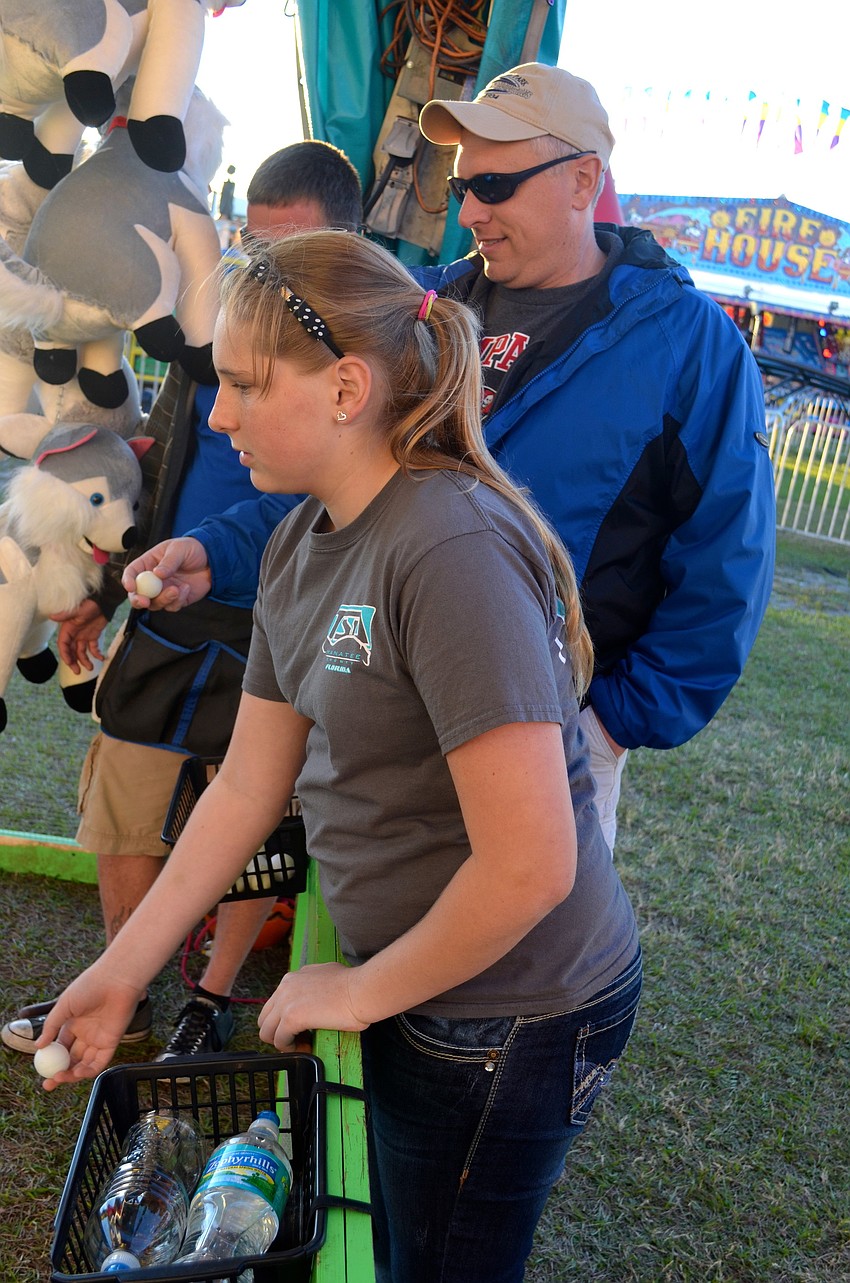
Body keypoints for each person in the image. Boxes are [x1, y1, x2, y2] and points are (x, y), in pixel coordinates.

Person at [37, 228, 642, 1283]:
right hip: (427, 982)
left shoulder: (446, 547)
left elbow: (532, 861)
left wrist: (360, 990)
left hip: (508, 1012)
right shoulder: (300, 538)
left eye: (241, 384)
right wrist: (119, 972)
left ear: (346, 386)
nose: (216, 415)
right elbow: (247, 782)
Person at [132, 63, 775, 854]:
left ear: (582, 181)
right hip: (384, 706)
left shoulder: (691, 345)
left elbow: (726, 565)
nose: (469, 210)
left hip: (549, 733)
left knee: (517, 959)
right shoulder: (423, 307)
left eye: (496, 186)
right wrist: (215, 549)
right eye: (463, 185)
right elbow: (337, 479)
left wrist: (612, 721)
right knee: (367, 935)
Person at [1, 141, 362, 1063]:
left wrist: (208, 550)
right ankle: (134, 986)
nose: (269, 276)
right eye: (257, 251)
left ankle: (208, 997)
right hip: (174, 595)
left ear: (346, 243)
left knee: (258, 820)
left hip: (283, 619)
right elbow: (159, 471)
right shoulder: (217, 322)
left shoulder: (361, 358)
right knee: (121, 796)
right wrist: (109, 593)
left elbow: (304, 505)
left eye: (296, 251)